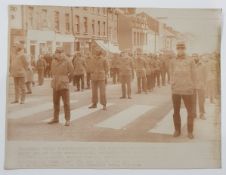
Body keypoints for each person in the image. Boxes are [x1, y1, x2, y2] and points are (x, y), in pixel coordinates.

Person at [170, 42, 195, 139]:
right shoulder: (172, 61)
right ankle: (177, 130)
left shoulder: (190, 60)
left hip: (187, 89)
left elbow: (194, 74)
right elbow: (171, 73)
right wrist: (172, 83)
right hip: (176, 89)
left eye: (182, 48)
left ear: (185, 49)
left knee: (190, 112)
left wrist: (192, 86)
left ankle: (190, 131)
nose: (180, 50)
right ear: (177, 49)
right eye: (179, 48)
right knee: (176, 111)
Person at [47, 48, 74, 126]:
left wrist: (67, 80)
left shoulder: (67, 61)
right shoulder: (54, 60)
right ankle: (56, 118)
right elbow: (52, 71)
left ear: (62, 53)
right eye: (56, 53)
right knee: (55, 102)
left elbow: (72, 72)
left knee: (66, 103)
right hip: (55, 83)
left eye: (58, 53)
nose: (56, 54)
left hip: (63, 84)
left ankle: (67, 119)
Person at [192, 53, 207, 119]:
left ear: (198, 57)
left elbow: (205, 75)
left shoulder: (203, 65)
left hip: (201, 85)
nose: (194, 58)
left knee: (201, 101)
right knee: (193, 100)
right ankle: (194, 113)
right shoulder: (190, 65)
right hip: (193, 86)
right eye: (193, 56)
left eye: (195, 56)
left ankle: (202, 114)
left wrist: (205, 84)